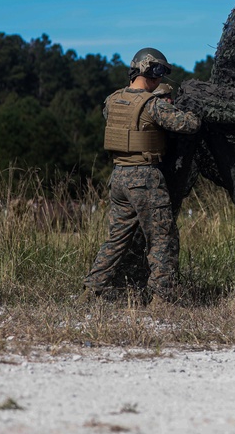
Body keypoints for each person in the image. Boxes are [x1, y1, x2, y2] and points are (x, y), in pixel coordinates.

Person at [81, 48, 201, 304]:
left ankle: (92, 289)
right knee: (162, 238)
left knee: (117, 238)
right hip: (144, 177)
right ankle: (163, 298)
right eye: (161, 73)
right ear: (152, 70)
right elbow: (189, 125)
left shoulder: (112, 100)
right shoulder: (154, 105)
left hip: (119, 177)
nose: (162, 79)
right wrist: (172, 105)